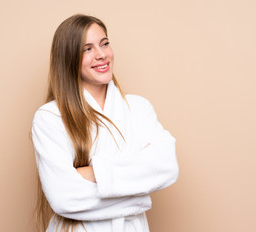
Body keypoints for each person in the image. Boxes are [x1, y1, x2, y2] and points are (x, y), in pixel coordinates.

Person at [31, 14, 179, 232]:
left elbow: (167, 166)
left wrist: (94, 172)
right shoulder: (50, 117)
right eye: (87, 49)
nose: (101, 55)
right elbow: (64, 198)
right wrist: (137, 198)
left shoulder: (138, 108)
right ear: (68, 58)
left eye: (104, 43)